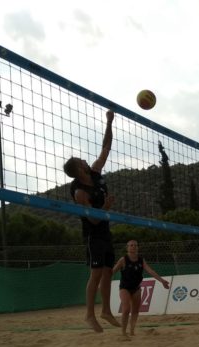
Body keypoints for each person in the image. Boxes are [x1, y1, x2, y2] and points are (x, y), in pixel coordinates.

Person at [63, 109, 120, 332]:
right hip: (93, 234)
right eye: (81, 160)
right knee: (96, 273)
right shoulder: (79, 192)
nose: (85, 160)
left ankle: (106, 311)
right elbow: (93, 221)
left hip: (105, 231)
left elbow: (106, 148)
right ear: (79, 169)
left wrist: (109, 122)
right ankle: (89, 315)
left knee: (107, 272)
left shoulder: (95, 172)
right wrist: (106, 206)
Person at [112, 240, 170, 340]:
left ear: (138, 247)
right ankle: (123, 332)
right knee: (126, 309)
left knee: (135, 310)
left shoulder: (141, 260)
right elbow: (112, 272)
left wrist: (161, 281)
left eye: (135, 245)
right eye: (131, 245)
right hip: (125, 288)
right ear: (127, 248)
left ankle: (132, 331)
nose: (133, 247)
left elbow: (150, 271)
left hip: (136, 288)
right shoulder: (123, 259)